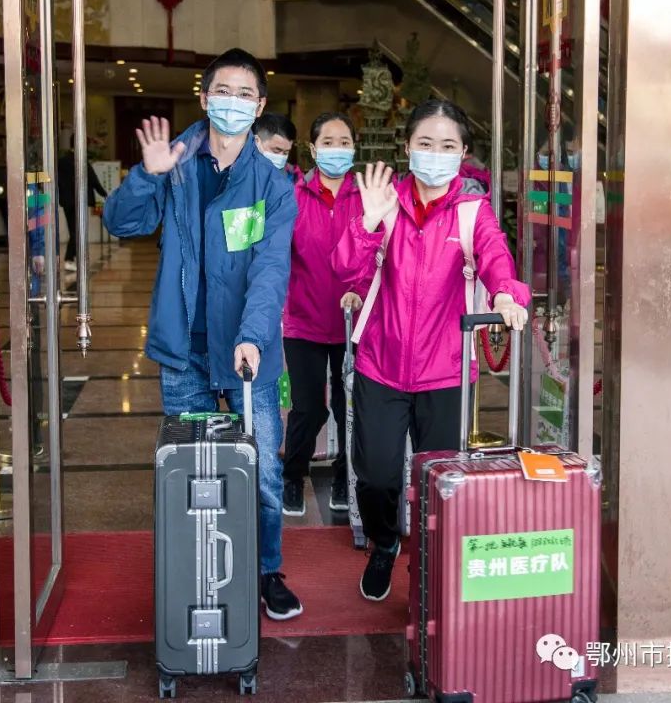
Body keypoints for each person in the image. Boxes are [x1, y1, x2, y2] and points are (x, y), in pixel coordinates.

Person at [102, 48, 302, 621]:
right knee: (192, 470)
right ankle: (199, 572)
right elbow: (122, 222)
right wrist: (147, 175)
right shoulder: (176, 162)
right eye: (223, 91)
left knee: (263, 474)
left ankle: (266, 569)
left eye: (245, 95)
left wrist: (253, 336)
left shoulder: (273, 186)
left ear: (259, 106)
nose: (232, 103)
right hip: (184, 351)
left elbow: (271, 269)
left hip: (247, 353)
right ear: (204, 96)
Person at [332, 99, 531, 602]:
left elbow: (495, 255)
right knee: (376, 476)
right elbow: (345, 270)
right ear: (407, 147)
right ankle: (384, 544)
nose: (435, 154)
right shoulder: (384, 203)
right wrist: (367, 225)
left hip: (446, 371)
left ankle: (429, 558)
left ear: (463, 154)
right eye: (425, 143)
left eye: (447, 146)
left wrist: (506, 294)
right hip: (381, 363)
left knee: (440, 479)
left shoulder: (472, 211)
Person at [281, 112, 365, 516]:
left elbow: (379, 252)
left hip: (355, 324)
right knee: (309, 407)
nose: (336, 149)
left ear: (354, 148)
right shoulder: (292, 196)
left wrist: (359, 290)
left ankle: (345, 476)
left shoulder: (367, 196)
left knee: (352, 407)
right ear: (313, 150)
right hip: (304, 322)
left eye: (344, 142)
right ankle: (292, 477)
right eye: (327, 142)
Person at [57, 136, 108, 272]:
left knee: (74, 230)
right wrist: (104, 194)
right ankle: (69, 259)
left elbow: (58, 182)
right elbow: (93, 179)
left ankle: (73, 258)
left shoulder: (61, 161)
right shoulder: (81, 160)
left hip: (67, 202)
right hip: (79, 201)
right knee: (77, 231)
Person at [253, 112, 300, 182]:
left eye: (286, 152)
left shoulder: (293, 176)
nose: (281, 157)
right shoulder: (239, 173)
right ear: (257, 141)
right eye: (276, 151)